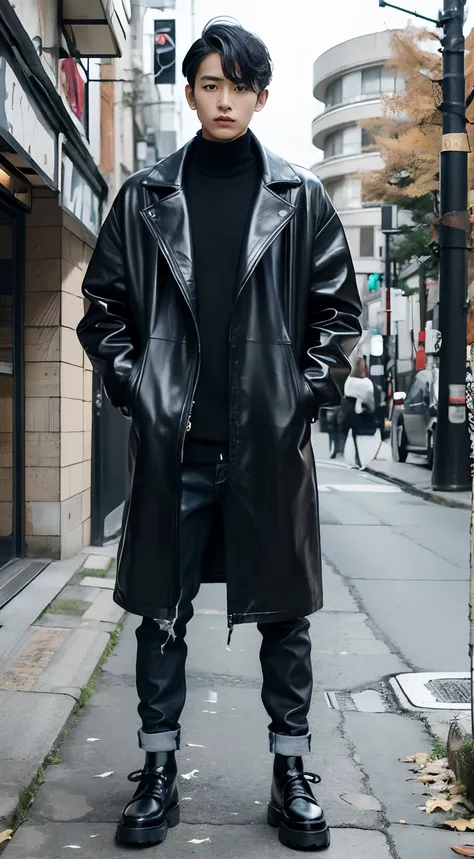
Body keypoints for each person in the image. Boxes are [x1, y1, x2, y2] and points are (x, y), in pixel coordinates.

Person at [77, 20, 361, 851]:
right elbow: (104, 311)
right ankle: (158, 775)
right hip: (177, 448)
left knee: (285, 617)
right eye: (209, 83)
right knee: (160, 614)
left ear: (261, 96)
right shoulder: (146, 197)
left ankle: (291, 774)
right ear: (193, 91)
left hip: (267, 450)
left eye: (239, 85)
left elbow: (337, 317)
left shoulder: (299, 199)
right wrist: (139, 387)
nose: (224, 97)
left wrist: (298, 398)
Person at [342, 358, 375, 467]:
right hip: (356, 410)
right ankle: (357, 458)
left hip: (347, 408)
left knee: (348, 434)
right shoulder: (366, 383)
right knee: (356, 435)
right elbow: (369, 398)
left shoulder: (349, 381)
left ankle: (343, 456)